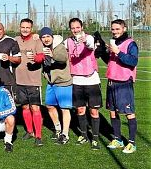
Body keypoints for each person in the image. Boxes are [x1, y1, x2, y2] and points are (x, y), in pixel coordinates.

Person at [100, 19, 138, 154]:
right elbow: (110, 61)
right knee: (112, 111)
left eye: (117, 29)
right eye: (113, 29)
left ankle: (132, 143)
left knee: (129, 113)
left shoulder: (130, 43)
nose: (115, 31)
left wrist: (118, 52)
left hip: (124, 83)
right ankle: (118, 139)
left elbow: (133, 61)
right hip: (111, 80)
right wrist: (102, 51)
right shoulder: (113, 43)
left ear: (124, 29)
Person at [64, 18, 102, 150]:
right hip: (76, 80)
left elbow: (90, 45)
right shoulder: (68, 41)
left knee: (94, 111)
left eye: (77, 27)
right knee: (80, 110)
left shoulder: (89, 38)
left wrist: (84, 40)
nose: (75, 30)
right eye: (73, 28)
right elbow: (56, 45)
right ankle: (84, 135)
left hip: (91, 80)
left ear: (82, 27)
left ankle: (95, 138)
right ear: (70, 29)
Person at [38, 27, 73, 145]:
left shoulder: (59, 46)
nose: (46, 39)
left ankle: (65, 134)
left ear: (52, 37)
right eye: (43, 37)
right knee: (49, 106)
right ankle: (57, 129)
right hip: (51, 82)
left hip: (63, 82)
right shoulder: (44, 47)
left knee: (64, 108)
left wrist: (52, 55)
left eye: (48, 36)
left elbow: (63, 59)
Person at [14, 18, 44, 145]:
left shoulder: (37, 40)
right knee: (25, 107)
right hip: (19, 80)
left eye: (27, 27)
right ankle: (30, 131)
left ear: (31, 29)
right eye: (23, 27)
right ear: (20, 27)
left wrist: (36, 58)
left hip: (33, 80)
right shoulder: (15, 40)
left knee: (35, 108)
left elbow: (42, 56)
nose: (25, 29)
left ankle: (38, 136)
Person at [0, 22, 21, 95]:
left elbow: (18, 59)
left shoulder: (11, 41)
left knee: (8, 105)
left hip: (7, 81)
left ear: (3, 30)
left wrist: (9, 58)